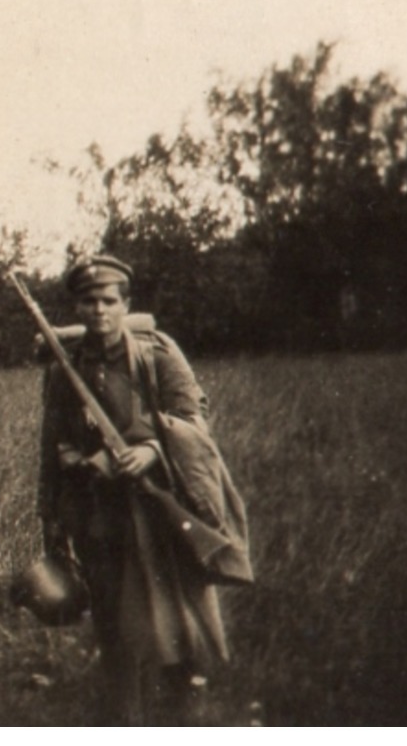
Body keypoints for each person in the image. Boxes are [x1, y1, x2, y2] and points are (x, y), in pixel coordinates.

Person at [36, 255, 249, 725]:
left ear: (125, 304)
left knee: (171, 621)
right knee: (114, 629)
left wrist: (153, 448)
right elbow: (50, 445)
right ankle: (125, 722)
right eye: (89, 302)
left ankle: (179, 714)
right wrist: (49, 515)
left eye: (109, 301)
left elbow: (194, 419)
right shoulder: (63, 371)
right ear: (77, 307)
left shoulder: (156, 356)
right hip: (98, 517)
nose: (99, 311)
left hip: (156, 511)